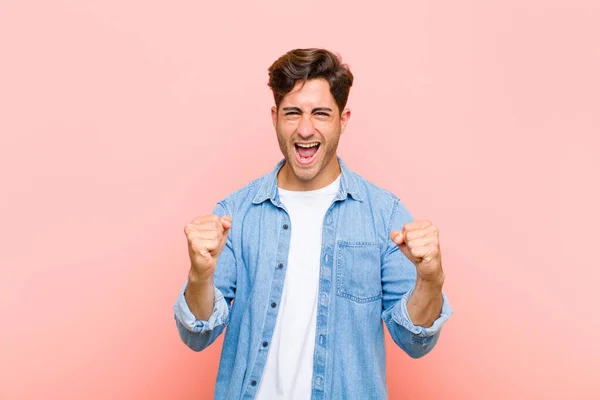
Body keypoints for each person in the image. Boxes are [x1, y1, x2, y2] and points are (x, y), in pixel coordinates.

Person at [173, 48, 453, 400]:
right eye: (293, 113)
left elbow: (415, 341)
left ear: (343, 118)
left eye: (321, 113)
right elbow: (196, 335)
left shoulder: (384, 213)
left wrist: (431, 279)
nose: (306, 129)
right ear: (275, 117)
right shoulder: (236, 213)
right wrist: (200, 275)